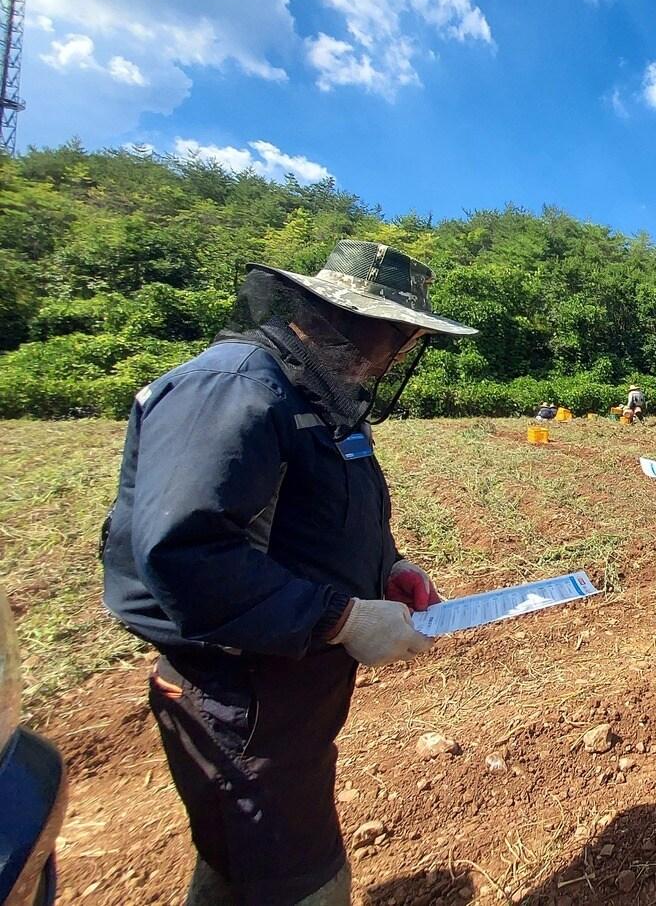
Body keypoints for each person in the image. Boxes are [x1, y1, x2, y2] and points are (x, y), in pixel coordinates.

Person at [101, 241, 476, 906]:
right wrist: (341, 617)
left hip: (287, 682)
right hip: (238, 695)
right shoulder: (235, 389)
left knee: (242, 865)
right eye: (403, 338)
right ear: (359, 325)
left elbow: (317, 513)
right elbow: (187, 552)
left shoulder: (316, 394)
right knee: (300, 878)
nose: (399, 357)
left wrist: (388, 566)